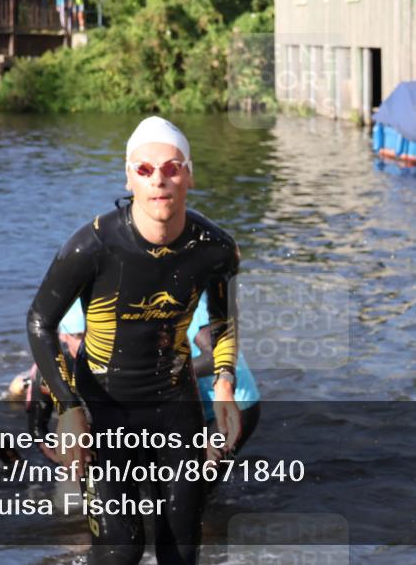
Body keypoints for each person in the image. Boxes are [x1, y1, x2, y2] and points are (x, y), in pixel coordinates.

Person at [27, 115, 241, 565]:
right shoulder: (92, 246)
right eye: (144, 169)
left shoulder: (215, 249)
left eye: (172, 168)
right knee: (121, 549)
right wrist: (69, 408)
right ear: (129, 178)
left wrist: (224, 385)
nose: (158, 179)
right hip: (104, 408)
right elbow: (40, 321)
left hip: (175, 407)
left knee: (181, 548)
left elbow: (222, 321)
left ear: (189, 176)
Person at [188, 291, 260, 461]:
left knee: (199, 471)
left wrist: (164, 374)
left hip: (233, 403)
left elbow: (213, 358)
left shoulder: (196, 304)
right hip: (200, 406)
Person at [25, 299, 85, 461]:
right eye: (79, 336)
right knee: (17, 390)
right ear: (63, 336)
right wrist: (62, 462)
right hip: (50, 376)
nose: (85, 343)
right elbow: (37, 429)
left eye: (91, 335)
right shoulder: (47, 371)